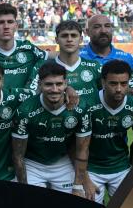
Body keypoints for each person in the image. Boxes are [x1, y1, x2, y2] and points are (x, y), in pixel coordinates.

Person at [12, 62, 95, 199]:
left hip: (62, 162)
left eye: (59, 84)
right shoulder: (25, 110)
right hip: (33, 164)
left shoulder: (80, 109)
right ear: (40, 84)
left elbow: (82, 149)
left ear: (66, 84)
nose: (54, 89)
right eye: (48, 84)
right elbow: (18, 155)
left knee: (75, 205)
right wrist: (23, 188)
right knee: (31, 207)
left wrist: (78, 186)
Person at [86, 60, 133, 204]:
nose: (119, 89)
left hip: (121, 168)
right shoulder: (87, 104)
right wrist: (82, 176)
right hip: (91, 169)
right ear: (103, 82)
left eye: (124, 83)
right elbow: (76, 145)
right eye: (113, 83)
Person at [28, 20, 101, 101]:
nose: (69, 39)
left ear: (81, 39)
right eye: (64, 36)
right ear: (56, 40)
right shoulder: (41, 67)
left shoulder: (95, 67)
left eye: (73, 35)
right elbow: (31, 96)